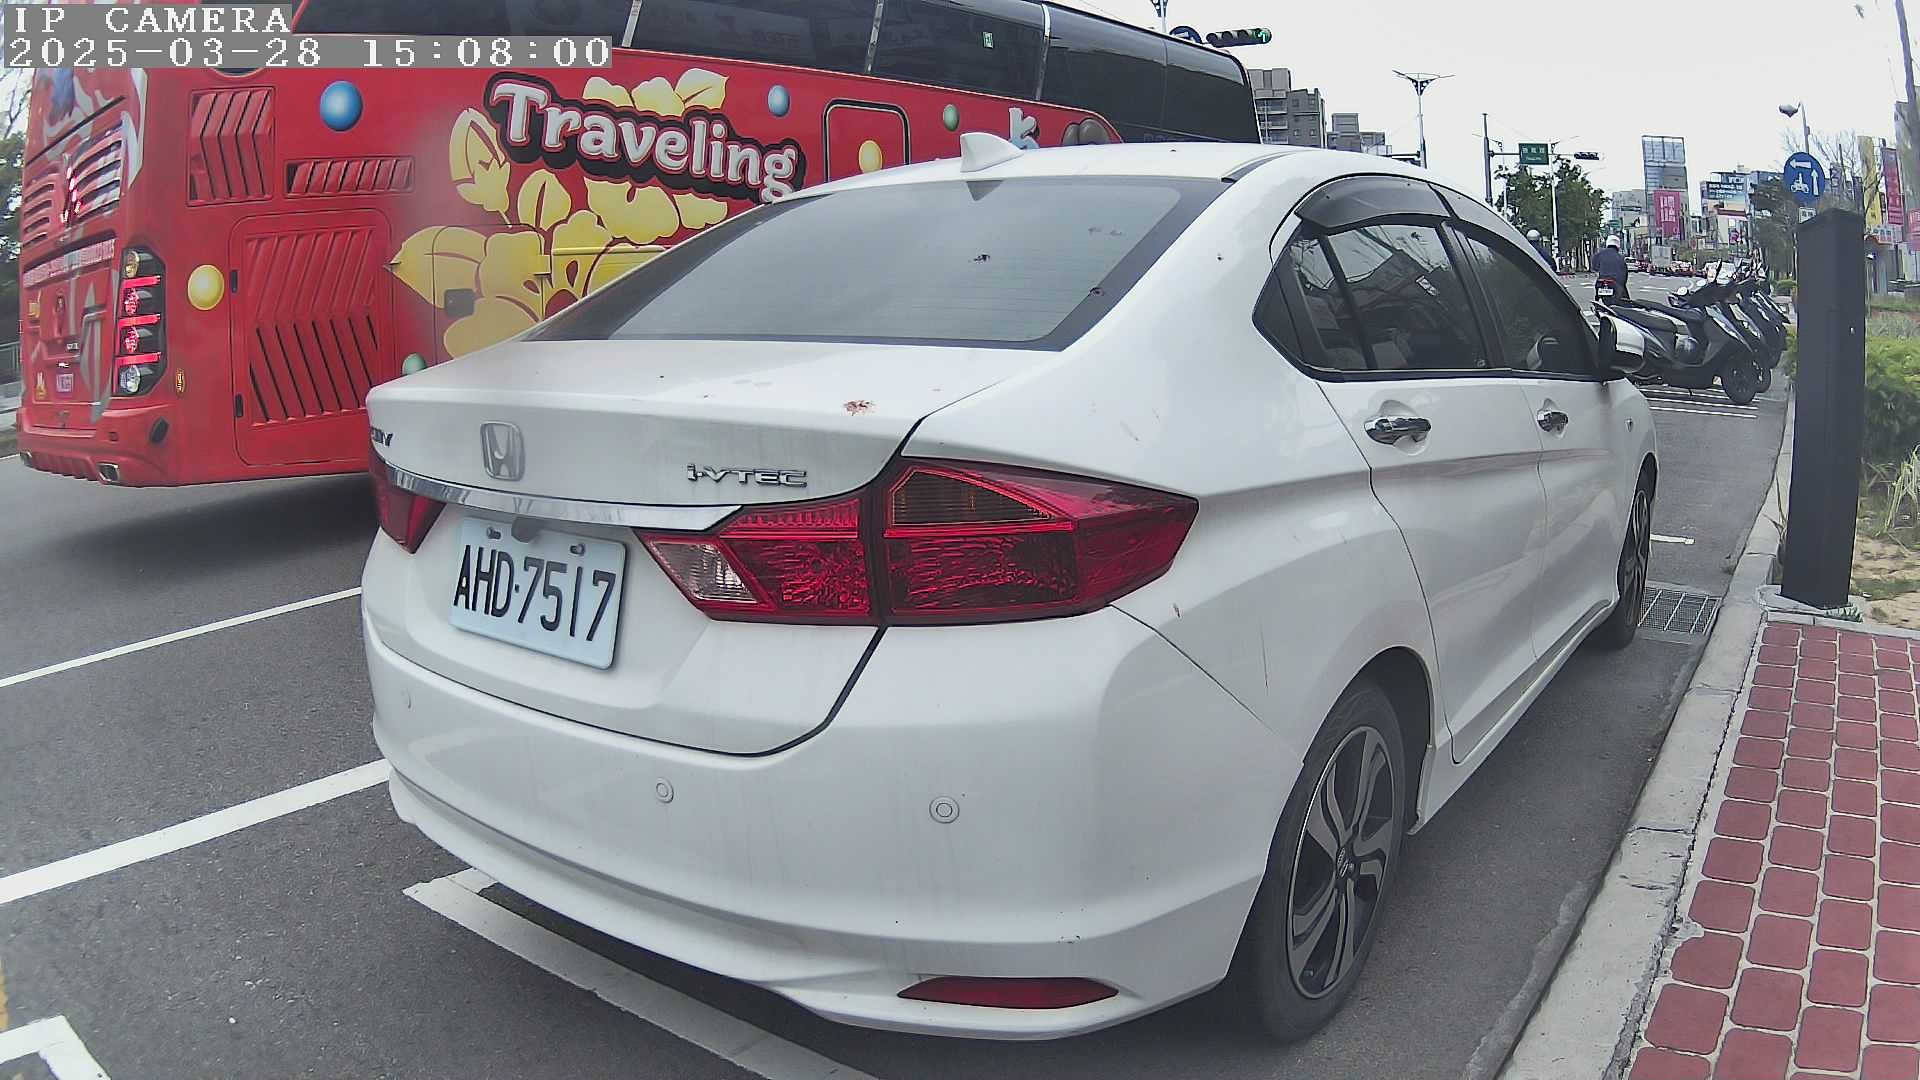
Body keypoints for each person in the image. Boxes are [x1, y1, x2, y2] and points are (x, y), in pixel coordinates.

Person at [1593, 234, 1630, 298]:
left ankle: (1597, 298)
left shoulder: (1599, 255)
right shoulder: (1620, 257)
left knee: (1597, 292)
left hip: (1601, 282)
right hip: (1616, 283)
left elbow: (1594, 268)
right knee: (1625, 298)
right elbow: (1624, 273)